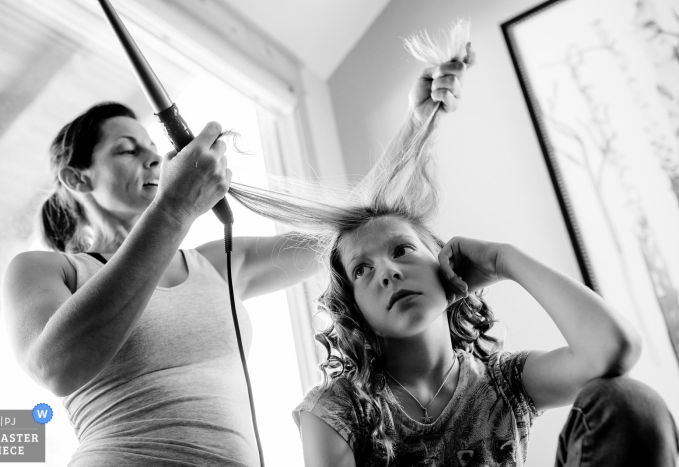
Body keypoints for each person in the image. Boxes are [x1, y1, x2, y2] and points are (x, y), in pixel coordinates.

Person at [0, 24, 464, 465]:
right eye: (126, 149)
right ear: (76, 178)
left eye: (150, 146)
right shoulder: (43, 270)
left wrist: (416, 124)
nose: (153, 158)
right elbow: (55, 368)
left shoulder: (218, 265)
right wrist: (175, 210)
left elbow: (353, 230)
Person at [217, 27, 677, 467]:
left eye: (402, 251)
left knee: (630, 402)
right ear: (356, 310)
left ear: (444, 265)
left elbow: (614, 351)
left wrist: (504, 260)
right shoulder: (336, 411)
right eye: (361, 270)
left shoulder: (504, 383)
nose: (387, 272)